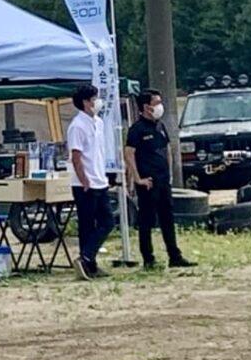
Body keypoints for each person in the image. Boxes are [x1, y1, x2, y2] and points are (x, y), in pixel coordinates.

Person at [125, 89, 196, 270]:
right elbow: (129, 154)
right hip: (148, 181)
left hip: (163, 179)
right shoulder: (137, 129)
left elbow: (167, 148)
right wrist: (137, 179)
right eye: (156, 103)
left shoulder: (159, 126)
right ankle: (148, 258)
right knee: (147, 220)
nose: (159, 106)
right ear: (146, 107)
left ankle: (175, 256)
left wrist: (170, 173)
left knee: (167, 218)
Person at [66, 84, 116, 280]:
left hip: (100, 179)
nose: (97, 102)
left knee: (107, 221)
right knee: (87, 224)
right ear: (86, 102)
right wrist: (84, 180)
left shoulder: (98, 122)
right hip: (84, 183)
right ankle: (88, 263)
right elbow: (76, 156)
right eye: (94, 99)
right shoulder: (77, 126)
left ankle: (87, 256)